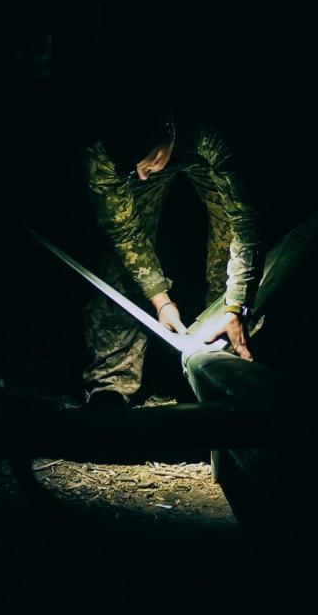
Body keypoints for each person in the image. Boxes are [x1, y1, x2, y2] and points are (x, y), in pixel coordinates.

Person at [81, 106, 261, 408]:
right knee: (116, 259)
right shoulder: (102, 155)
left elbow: (246, 221)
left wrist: (237, 302)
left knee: (231, 246)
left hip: (203, 153)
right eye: (130, 167)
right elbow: (124, 233)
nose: (140, 174)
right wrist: (160, 300)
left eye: (147, 161)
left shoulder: (211, 132)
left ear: (167, 128)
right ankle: (111, 383)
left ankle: (228, 368)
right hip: (147, 150)